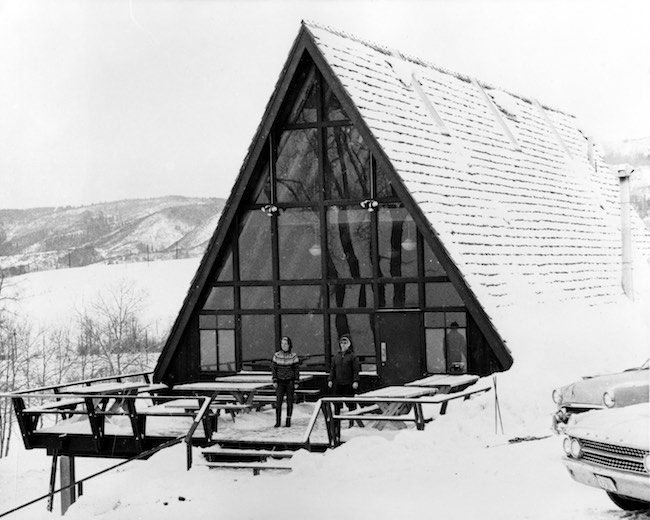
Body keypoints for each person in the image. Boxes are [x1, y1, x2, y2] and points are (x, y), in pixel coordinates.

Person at [327, 333, 360, 427]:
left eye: (345, 342)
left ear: (349, 344)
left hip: (348, 383)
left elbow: (355, 370)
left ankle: (351, 423)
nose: (343, 344)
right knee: (337, 403)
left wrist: (355, 381)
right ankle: (336, 423)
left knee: (350, 404)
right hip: (338, 383)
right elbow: (333, 369)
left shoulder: (352, 356)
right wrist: (330, 379)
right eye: (342, 342)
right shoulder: (336, 356)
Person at [271, 336, 300, 427]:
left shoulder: (293, 356)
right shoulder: (277, 355)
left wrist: (296, 381)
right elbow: (274, 369)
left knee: (289, 401)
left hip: (290, 382)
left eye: (285, 344)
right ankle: (278, 421)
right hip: (280, 382)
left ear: (289, 345)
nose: (283, 345)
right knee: (278, 401)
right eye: (282, 344)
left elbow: (296, 370)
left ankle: (288, 420)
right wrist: (274, 380)